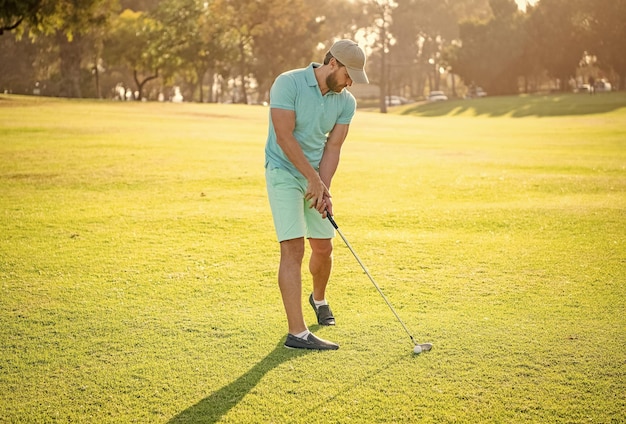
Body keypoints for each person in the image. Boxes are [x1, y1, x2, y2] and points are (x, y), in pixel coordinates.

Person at [264, 39, 369, 350]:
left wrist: (323, 187)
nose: (351, 83)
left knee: (323, 248)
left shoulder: (345, 102)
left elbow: (333, 147)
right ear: (332, 63)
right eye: (349, 75)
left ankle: (318, 298)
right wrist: (312, 179)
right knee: (293, 249)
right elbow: (283, 136)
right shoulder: (288, 83)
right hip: (283, 172)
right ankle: (297, 334)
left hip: (316, 178)